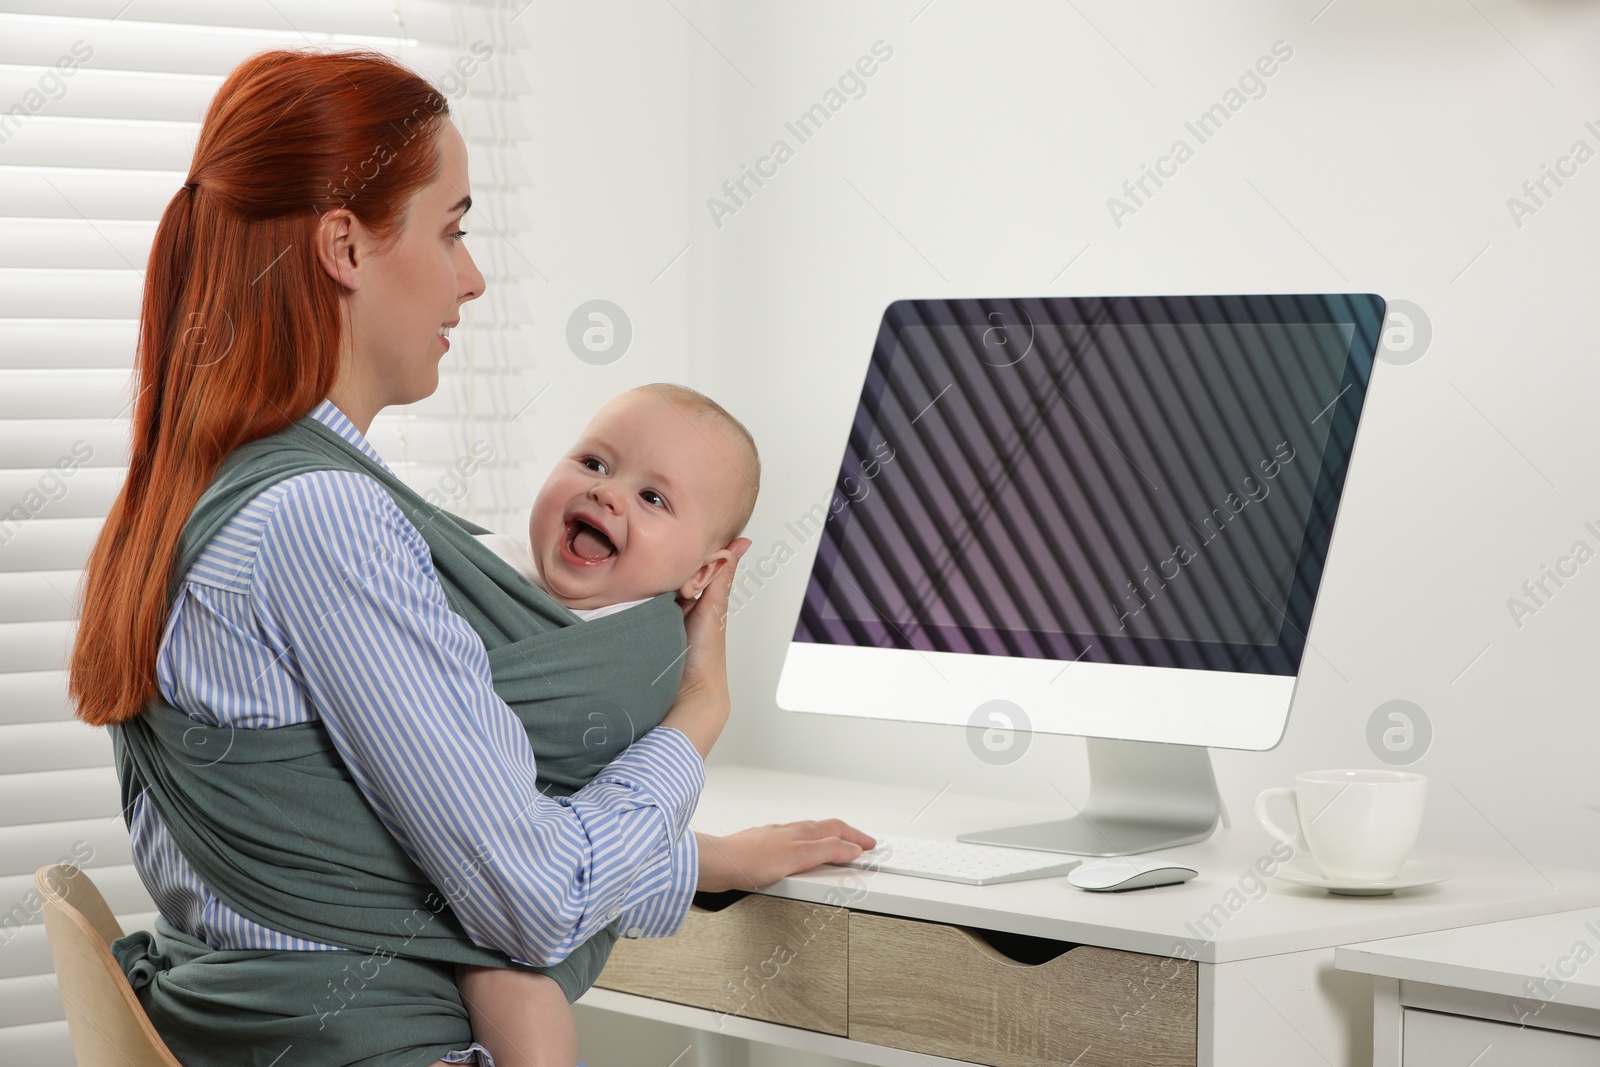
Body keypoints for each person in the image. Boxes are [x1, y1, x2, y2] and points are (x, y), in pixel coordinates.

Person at [68, 48, 872, 1067]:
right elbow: (536, 904)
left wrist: (698, 860)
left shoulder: (204, 488)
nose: (474, 275)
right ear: (347, 248)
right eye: (451, 230)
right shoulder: (322, 521)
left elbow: (379, 849)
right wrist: (698, 715)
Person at [461, 382, 766, 1065]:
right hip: (467, 850)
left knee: (524, 999)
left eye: (653, 498)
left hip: (515, 880)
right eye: (594, 463)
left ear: (704, 573)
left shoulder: (644, 645)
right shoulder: (480, 562)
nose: (607, 493)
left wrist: (708, 857)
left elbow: (587, 818)